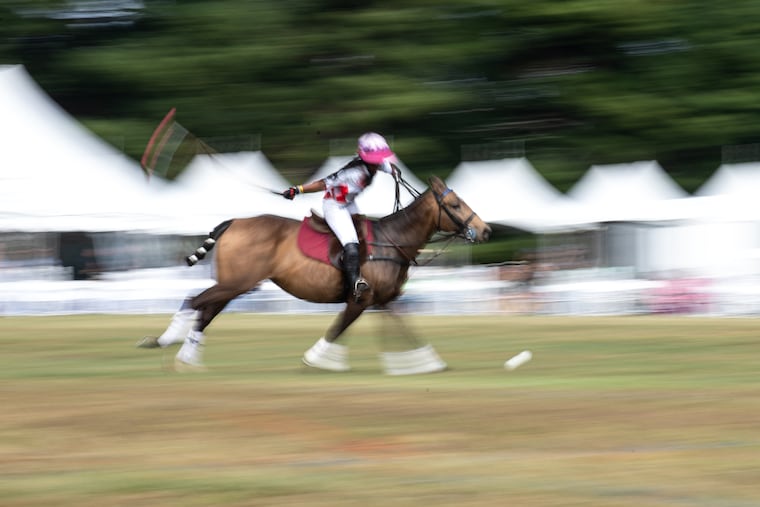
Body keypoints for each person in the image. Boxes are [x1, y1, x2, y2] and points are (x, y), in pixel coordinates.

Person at [282, 132, 398, 303]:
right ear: (366, 158)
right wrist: (297, 190)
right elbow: (322, 184)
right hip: (335, 206)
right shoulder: (353, 172)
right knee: (351, 243)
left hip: (349, 203)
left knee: (366, 231)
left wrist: (395, 172)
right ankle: (355, 284)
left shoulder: (375, 165)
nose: (379, 162)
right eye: (376, 159)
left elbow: (389, 167)